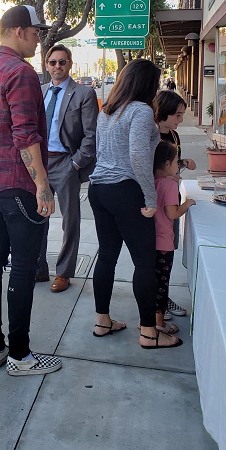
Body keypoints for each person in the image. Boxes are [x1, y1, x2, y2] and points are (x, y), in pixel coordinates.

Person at [0, 5, 62, 376]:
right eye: (36, 33)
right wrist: (42, 185)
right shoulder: (20, 72)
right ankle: (20, 355)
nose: (39, 40)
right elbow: (26, 135)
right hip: (17, 185)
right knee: (23, 267)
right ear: (20, 31)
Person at [88, 59, 182, 349]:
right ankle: (149, 333)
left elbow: (102, 151)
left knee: (107, 256)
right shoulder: (141, 111)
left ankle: (102, 321)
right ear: (147, 84)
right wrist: (150, 197)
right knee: (145, 262)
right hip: (126, 190)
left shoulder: (108, 110)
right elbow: (139, 156)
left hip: (99, 188)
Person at [37, 44, 98, 291]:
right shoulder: (40, 91)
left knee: (69, 220)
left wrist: (76, 163)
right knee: (37, 216)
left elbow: (91, 134)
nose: (57, 66)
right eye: (53, 62)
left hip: (66, 162)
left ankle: (64, 272)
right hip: (40, 162)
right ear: (46, 65)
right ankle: (38, 268)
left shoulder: (83, 93)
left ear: (70, 64)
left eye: (62, 62)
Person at [155, 89, 197, 318]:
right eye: (178, 115)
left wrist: (182, 163)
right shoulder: (150, 135)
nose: (181, 119)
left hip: (171, 196)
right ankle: (156, 306)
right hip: (155, 202)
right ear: (164, 112)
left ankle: (162, 299)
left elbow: (171, 162)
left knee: (167, 252)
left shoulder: (174, 135)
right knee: (156, 257)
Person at [153, 140, 195, 334]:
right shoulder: (169, 185)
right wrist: (186, 204)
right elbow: (172, 213)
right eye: (176, 161)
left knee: (151, 282)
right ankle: (159, 323)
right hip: (164, 243)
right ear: (167, 164)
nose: (178, 166)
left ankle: (147, 319)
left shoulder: (152, 181)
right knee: (162, 284)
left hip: (150, 241)